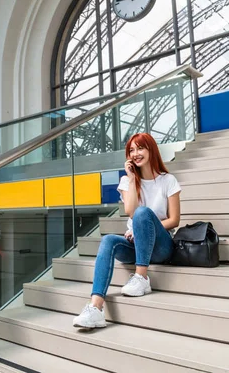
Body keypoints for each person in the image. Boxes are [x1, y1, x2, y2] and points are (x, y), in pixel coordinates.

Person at [73, 133, 181, 329]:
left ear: (151, 149)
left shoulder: (168, 180)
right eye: (131, 150)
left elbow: (174, 220)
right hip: (134, 245)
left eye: (140, 148)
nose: (136, 153)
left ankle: (141, 277)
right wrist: (132, 179)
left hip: (161, 247)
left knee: (143, 213)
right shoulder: (126, 182)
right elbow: (130, 212)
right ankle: (95, 307)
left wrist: (144, 229)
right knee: (108, 240)